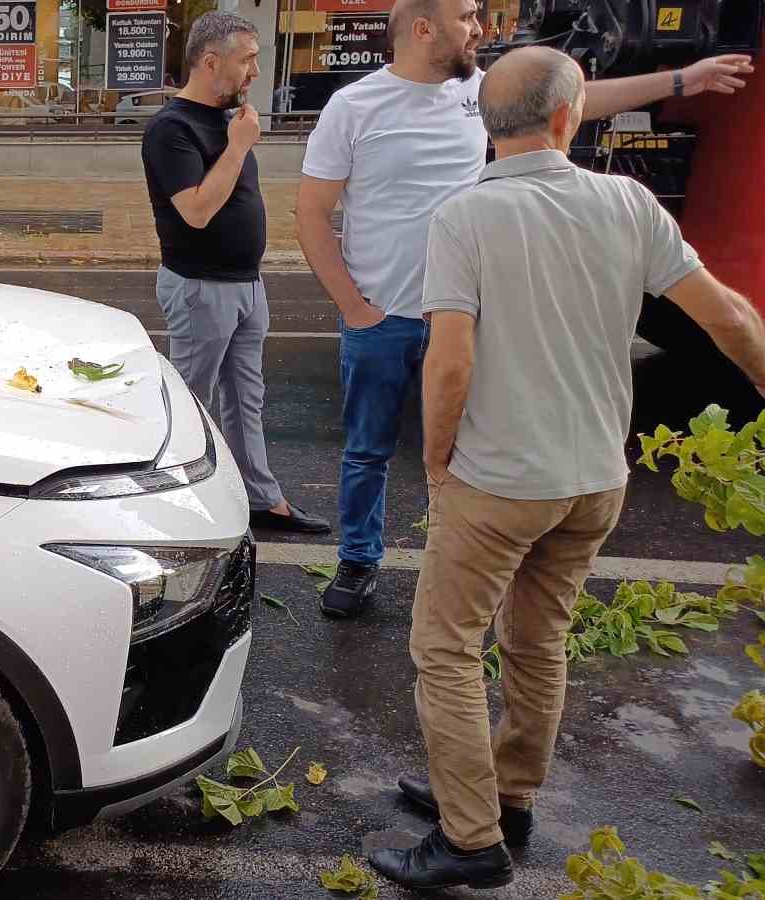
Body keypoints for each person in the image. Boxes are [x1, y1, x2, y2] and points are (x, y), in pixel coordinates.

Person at [365, 46, 765, 891]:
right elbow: (727, 315)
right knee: (539, 644)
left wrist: (439, 460)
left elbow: (449, 366)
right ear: (567, 118)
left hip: (499, 481)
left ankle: (469, 839)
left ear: (487, 122)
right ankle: (504, 800)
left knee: (444, 649)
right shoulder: (627, 201)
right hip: (595, 479)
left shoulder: (465, 217)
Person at [295, 0, 754, 618]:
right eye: (467, 17)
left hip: (468, 315)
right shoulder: (352, 108)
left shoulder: (483, 94)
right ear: (423, 29)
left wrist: (683, 80)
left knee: (470, 451)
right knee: (368, 450)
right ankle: (358, 561)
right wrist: (354, 307)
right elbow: (310, 213)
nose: (480, 29)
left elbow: (578, 94)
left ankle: (455, 559)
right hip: (384, 317)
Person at [141, 12, 330, 535]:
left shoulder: (229, 120)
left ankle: (261, 499)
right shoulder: (170, 129)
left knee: (247, 397)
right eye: (246, 59)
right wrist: (240, 145)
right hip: (202, 287)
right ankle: (178, 505)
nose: (254, 72)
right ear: (210, 61)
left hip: (247, 283)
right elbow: (197, 211)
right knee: (190, 404)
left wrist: (236, 139)